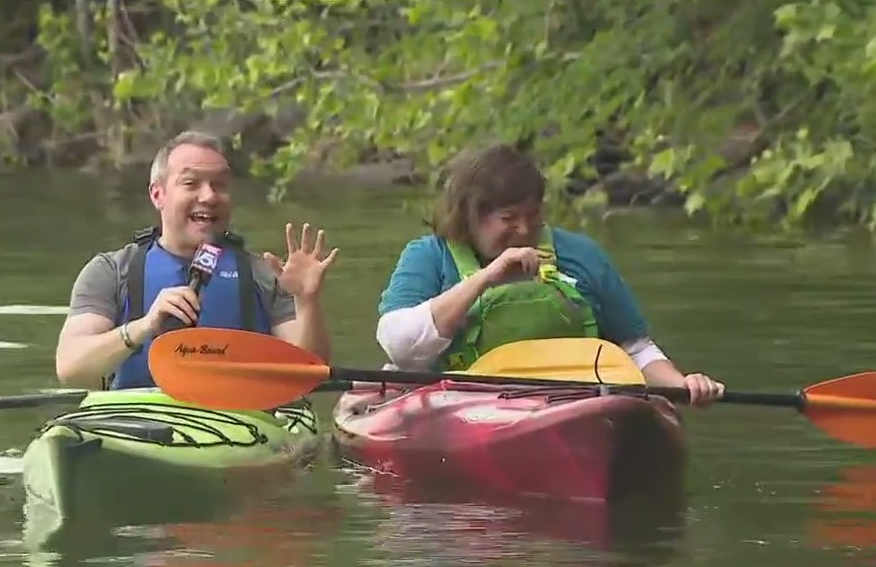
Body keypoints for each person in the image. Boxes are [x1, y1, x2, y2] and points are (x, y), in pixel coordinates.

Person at [374, 142, 724, 407]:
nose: (524, 228)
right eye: (509, 218)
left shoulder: (582, 255)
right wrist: (485, 278)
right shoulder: (429, 257)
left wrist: (681, 384)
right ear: (470, 216)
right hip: (464, 408)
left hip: (572, 405)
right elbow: (401, 349)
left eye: (532, 213)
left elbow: (635, 348)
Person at [55, 130, 338, 390]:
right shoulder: (111, 271)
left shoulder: (265, 274)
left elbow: (307, 376)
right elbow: (71, 368)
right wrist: (145, 326)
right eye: (191, 183)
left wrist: (307, 302)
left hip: (241, 422)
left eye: (220, 186)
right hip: (137, 419)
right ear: (158, 194)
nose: (209, 196)